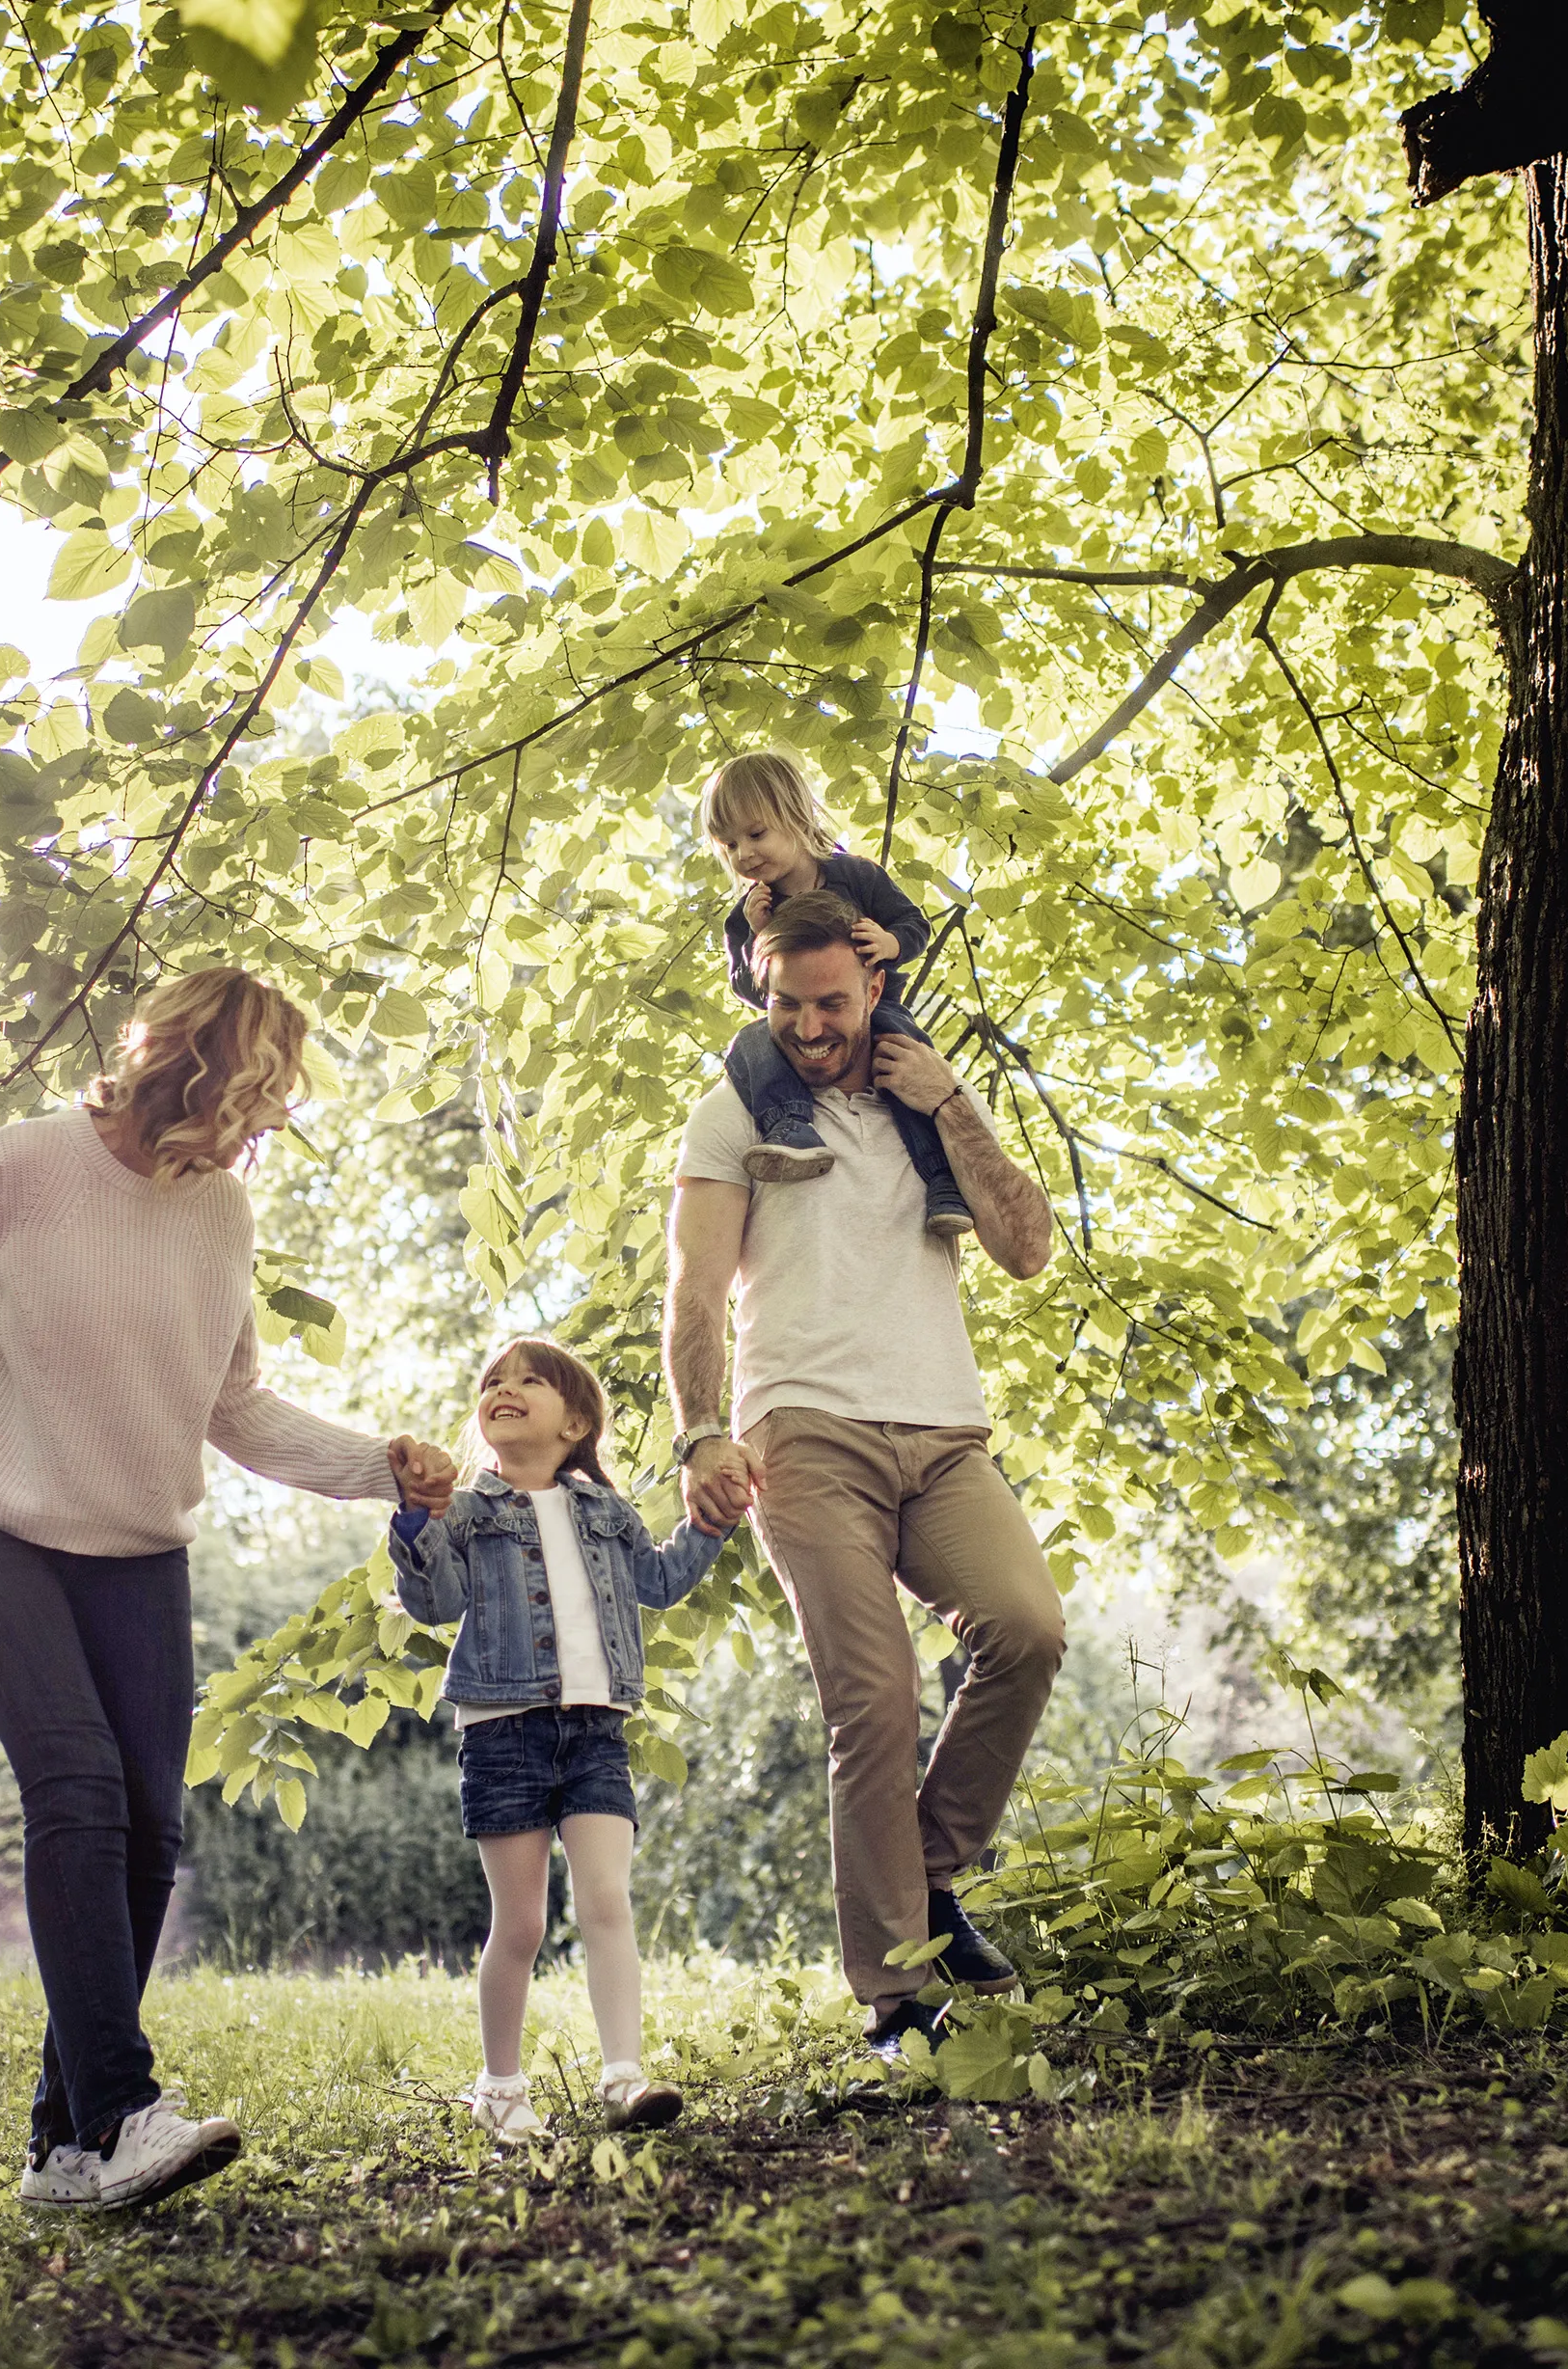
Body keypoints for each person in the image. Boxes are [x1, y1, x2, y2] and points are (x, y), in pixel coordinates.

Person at [0, 967, 457, 2211]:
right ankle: (124, 2108)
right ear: (196, 1068)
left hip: (137, 1549)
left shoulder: (221, 1211)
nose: (270, 1120)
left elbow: (229, 1404)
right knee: (75, 1789)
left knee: (149, 1831)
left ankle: (64, 2147)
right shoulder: (21, 1164)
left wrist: (375, 1465)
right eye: (262, 1091)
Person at [661, 887, 1065, 2053]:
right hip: (804, 1427)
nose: (808, 1022)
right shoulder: (733, 1109)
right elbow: (692, 1290)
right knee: (873, 1698)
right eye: (786, 1002)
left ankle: (929, 1878)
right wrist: (701, 1432)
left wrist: (955, 1108)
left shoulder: (927, 1100)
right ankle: (897, 1997)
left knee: (1026, 1626)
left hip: (942, 1428)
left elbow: (1026, 1248)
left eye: (831, 1000)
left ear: (875, 986)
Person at [389, 1337, 743, 2141]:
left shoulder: (607, 1513)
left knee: (608, 1903)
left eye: (529, 1381)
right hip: (504, 1728)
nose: (504, 1389)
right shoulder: (469, 1512)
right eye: (493, 1382)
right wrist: (415, 1518)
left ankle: (624, 2077)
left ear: (575, 1421)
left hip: (595, 1730)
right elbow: (435, 1602)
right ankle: (500, 2089)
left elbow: (658, 1581)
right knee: (521, 1926)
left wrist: (710, 1524)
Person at [702, 750, 972, 1239]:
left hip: (874, 1010)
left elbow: (914, 925)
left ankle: (942, 1177)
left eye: (755, 834)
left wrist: (890, 944)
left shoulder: (857, 876)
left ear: (796, 817)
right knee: (751, 1044)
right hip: (789, 1017)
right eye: (729, 845)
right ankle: (789, 1127)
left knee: (905, 1059)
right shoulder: (747, 912)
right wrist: (759, 937)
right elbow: (746, 989)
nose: (743, 854)